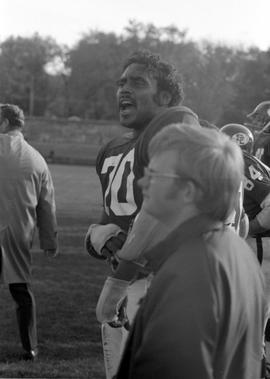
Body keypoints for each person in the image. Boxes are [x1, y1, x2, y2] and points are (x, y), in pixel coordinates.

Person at [116, 123, 266, 379]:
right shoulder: (236, 252)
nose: (142, 182)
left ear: (188, 189)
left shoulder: (192, 270)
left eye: (154, 174)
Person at [84, 50, 200, 378]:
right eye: (121, 83)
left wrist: (122, 275)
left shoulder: (173, 124)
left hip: (163, 283)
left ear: (165, 96)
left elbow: (166, 209)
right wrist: (97, 238)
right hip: (126, 283)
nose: (124, 90)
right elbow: (110, 218)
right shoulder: (110, 150)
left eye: (137, 82)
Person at [0, 104, 58, 361]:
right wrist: (49, 240)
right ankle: (30, 346)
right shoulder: (37, 158)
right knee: (22, 291)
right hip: (19, 232)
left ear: (3, 122)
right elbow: (47, 204)